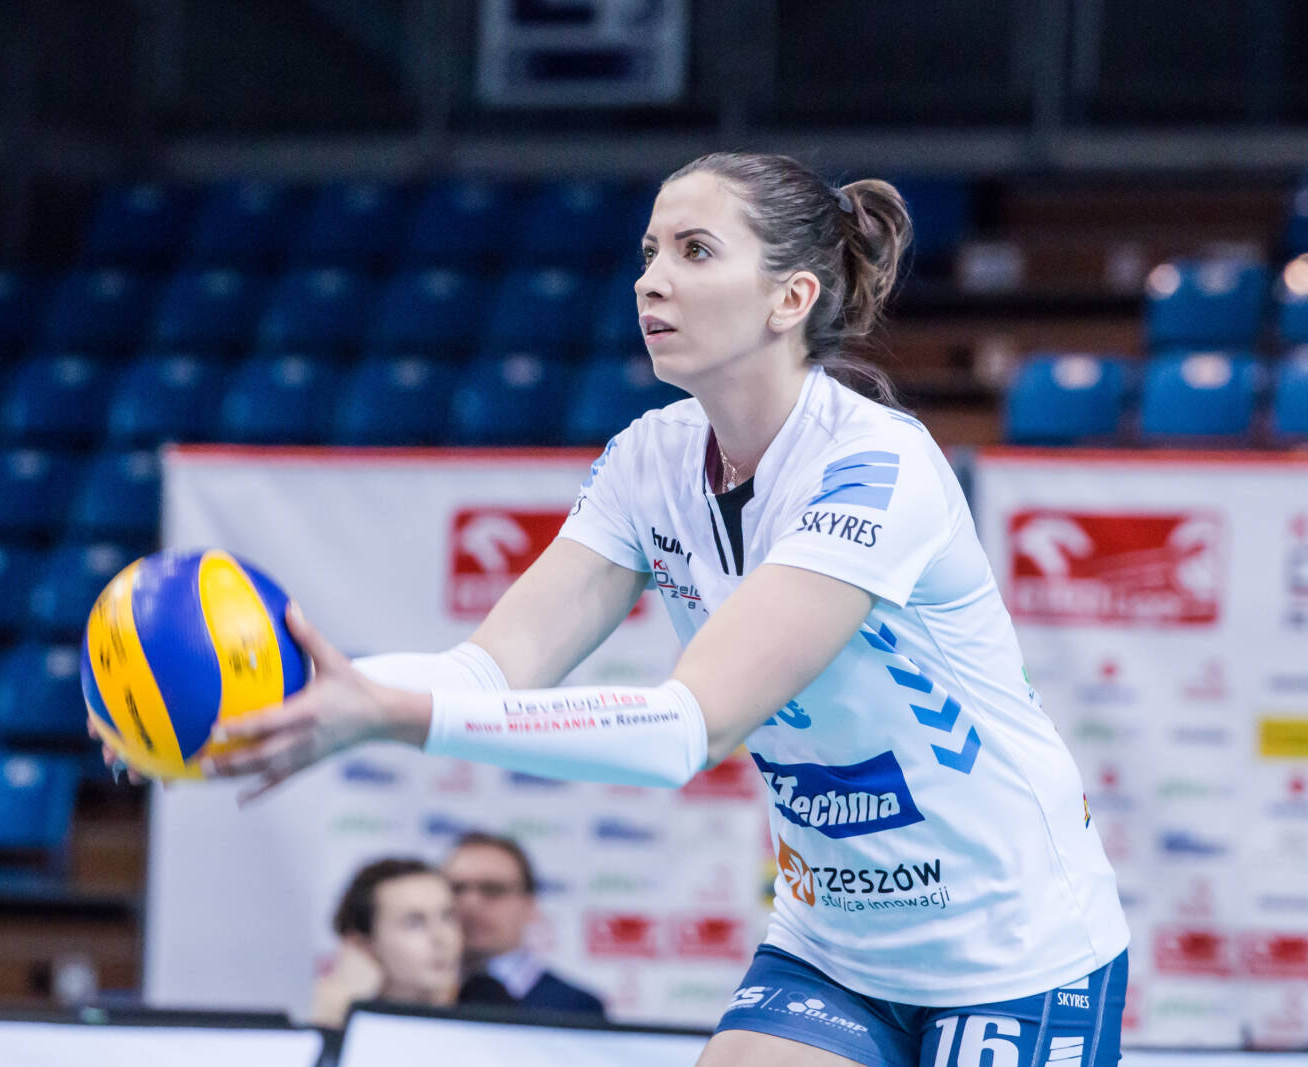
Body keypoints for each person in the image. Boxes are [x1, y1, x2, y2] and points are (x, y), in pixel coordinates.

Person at [114, 151, 1128, 1066]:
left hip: (1014, 945)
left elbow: (689, 725)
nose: (651, 279)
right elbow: (486, 670)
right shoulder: (649, 460)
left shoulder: (875, 467)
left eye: (695, 250)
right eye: (649, 251)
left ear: (791, 297)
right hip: (836, 945)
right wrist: (282, 705)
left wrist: (387, 715)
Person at [308, 857, 511, 1028]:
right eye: (414, 923)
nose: (441, 938)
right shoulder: (335, 1019)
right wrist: (340, 1019)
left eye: (448, 917)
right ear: (363, 944)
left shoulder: (490, 1004)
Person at [443, 831, 603, 1017]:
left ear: (530, 904)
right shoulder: (420, 995)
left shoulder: (578, 1007)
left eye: (492, 889)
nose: (471, 903)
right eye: (456, 889)